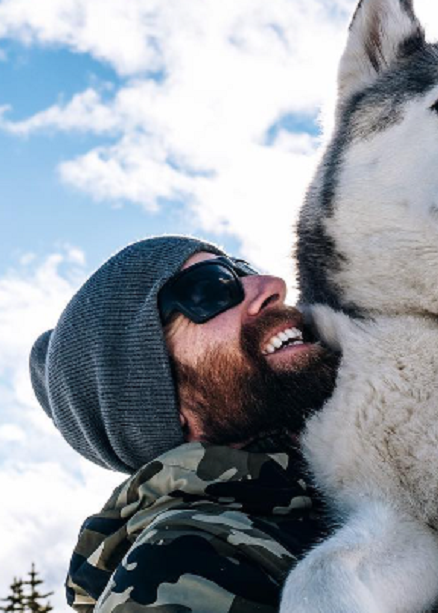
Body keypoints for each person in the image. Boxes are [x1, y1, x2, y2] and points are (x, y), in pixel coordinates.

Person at [29, 235, 340, 612]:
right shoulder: (181, 562)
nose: (273, 285)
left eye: (246, 271)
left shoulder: (331, 502)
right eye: (209, 288)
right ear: (153, 397)